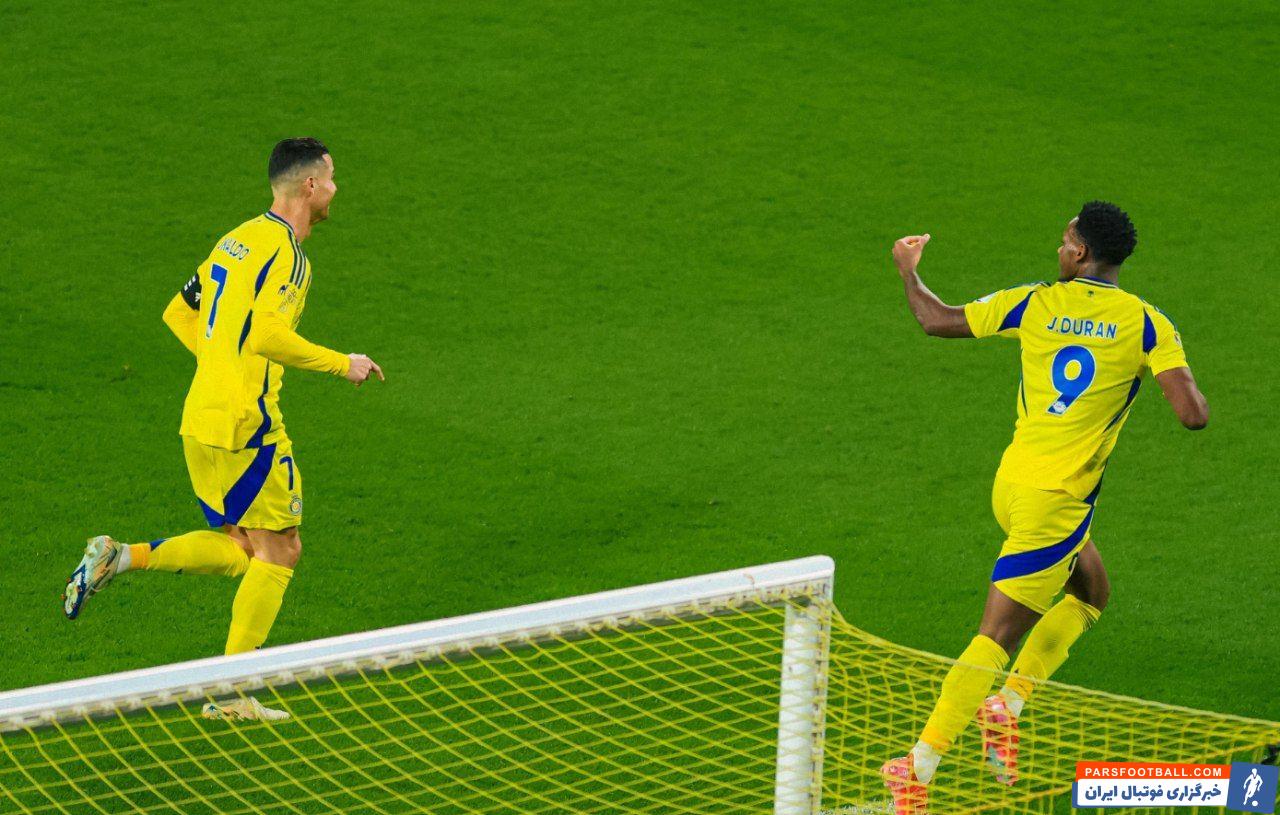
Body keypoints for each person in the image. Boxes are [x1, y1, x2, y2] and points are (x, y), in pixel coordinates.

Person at [881, 202, 1208, 814]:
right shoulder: (1148, 323)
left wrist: (908, 269)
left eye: (1064, 240)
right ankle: (917, 767)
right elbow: (1194, 415)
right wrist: (1165, 370)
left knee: (1091, 591)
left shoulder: (1034, 302)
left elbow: (935, 319)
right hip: (1054, 504)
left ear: (1080, 252)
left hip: (1013, 486)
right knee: (996, 637)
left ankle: (1006, 707)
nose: (1059, 249)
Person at [63, 138, 383, 715]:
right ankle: (233, 693)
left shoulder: (235, 240)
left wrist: (219, 365)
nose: (337, 189)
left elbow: (178, 311)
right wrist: (344, 363)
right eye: (333, 178)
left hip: (200, 417)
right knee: (281, 551)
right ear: (310, 185)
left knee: (244, 547)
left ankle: (120, 556)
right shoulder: (289, 256)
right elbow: (267, 335)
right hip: (246, 425)